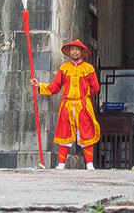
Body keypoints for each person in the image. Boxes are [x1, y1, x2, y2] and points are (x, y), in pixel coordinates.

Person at [32, 39, 100, 170]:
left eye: (77, 49)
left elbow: (95, 88)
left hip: (83, 105)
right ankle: (61, 164)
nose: (74, 52)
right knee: (64, 132)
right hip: (67, 105)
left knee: (86, 132)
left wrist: (83, 97)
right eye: (72, 49)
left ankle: (90, 164)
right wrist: (39, 85)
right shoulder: (64, 68)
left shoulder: (89, 68)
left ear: (81, 52)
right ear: (69, 52)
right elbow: (55, 87)